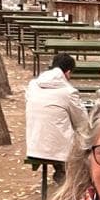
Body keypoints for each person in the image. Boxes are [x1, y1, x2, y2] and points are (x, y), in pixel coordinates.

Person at [25, 51, 88, 182]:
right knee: (83, 137)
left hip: (34, 145)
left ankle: (60, 171)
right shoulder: (68, 92)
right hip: (58, 151)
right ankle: (66, 173)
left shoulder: (32, 86)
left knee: (55, 128)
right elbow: (82, 122)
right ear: (68, 73)